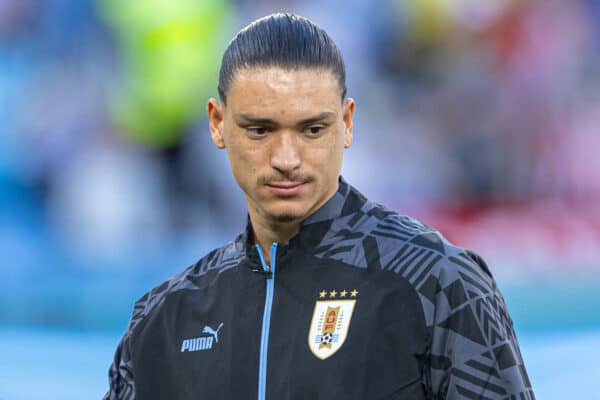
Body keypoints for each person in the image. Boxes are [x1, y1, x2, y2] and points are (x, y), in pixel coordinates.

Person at [105, 13, 533, 400]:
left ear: (346, 123)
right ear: (218, 124)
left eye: (312, 129)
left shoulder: (438, 283)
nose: (286, 159)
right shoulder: (162, 319)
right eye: (259, 130)